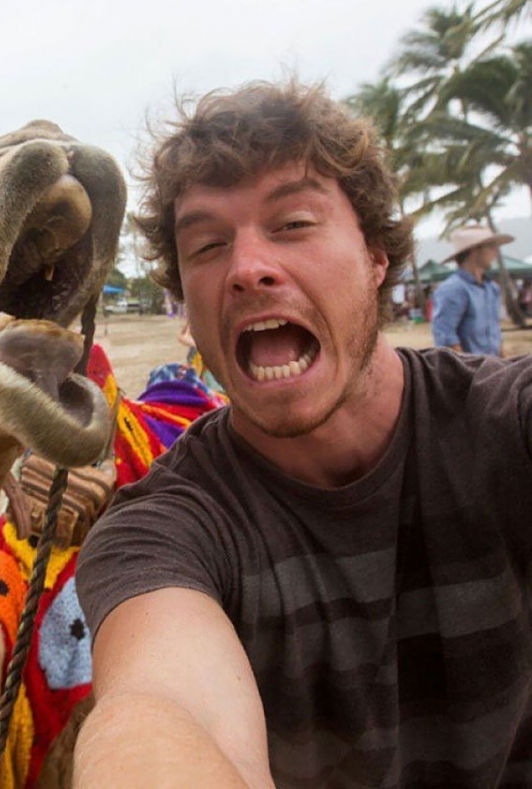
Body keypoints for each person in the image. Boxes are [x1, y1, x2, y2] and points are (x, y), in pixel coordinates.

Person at [73, 81, 532, 788]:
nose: (245, 268)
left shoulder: (504, 426)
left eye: (291, 224)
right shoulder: (160, 532)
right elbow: (158, 710)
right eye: (206, 245)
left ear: (376, 257)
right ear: (185, 306)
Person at [431, 223, 514, 356]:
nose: (495, 252)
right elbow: (446, 338)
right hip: (470, 373)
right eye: (491, 247)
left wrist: (503, 367)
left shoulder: (491, 288)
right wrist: (469, 372)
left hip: (492, 368)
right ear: (475, 250)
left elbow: (495, 333)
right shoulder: (454, 289)